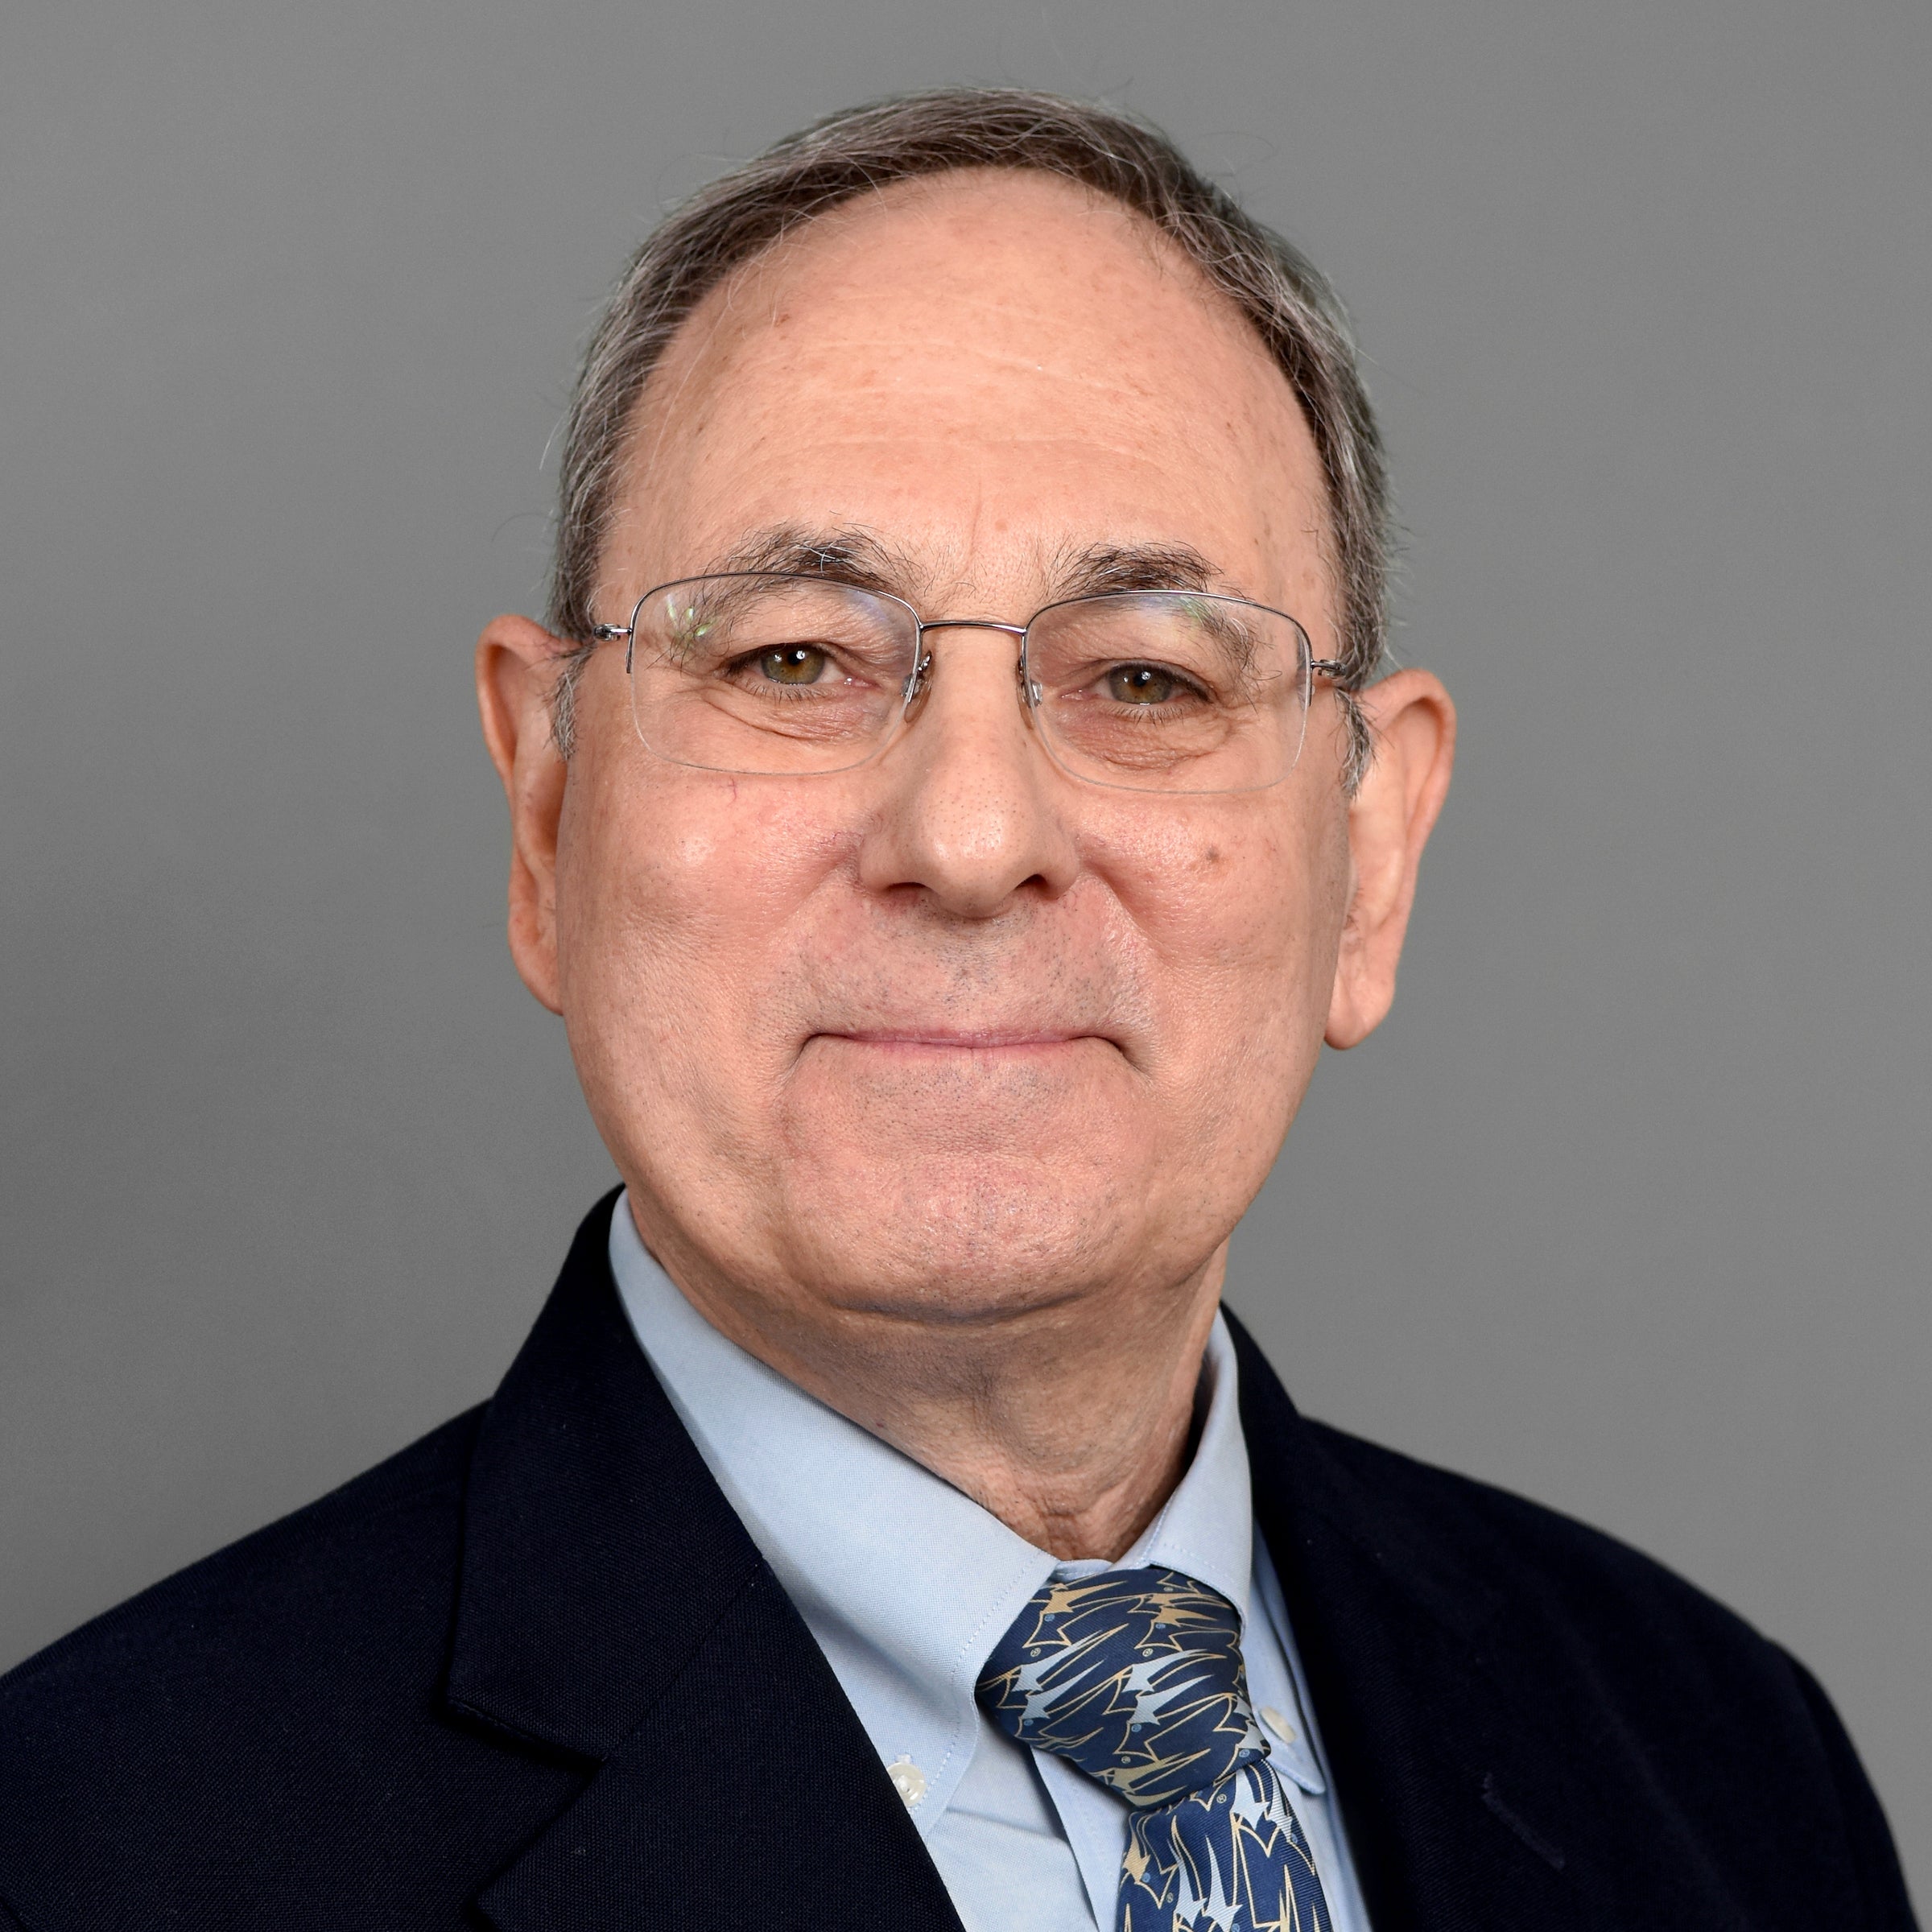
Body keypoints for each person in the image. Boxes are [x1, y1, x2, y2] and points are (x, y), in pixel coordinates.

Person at [0, 88, 1913, 1932]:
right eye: (799, 657)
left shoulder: (1720, 1764)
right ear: (552, 813)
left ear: (1372, 855)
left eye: (1150, 680)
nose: (975, 834)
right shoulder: (86, 1850)